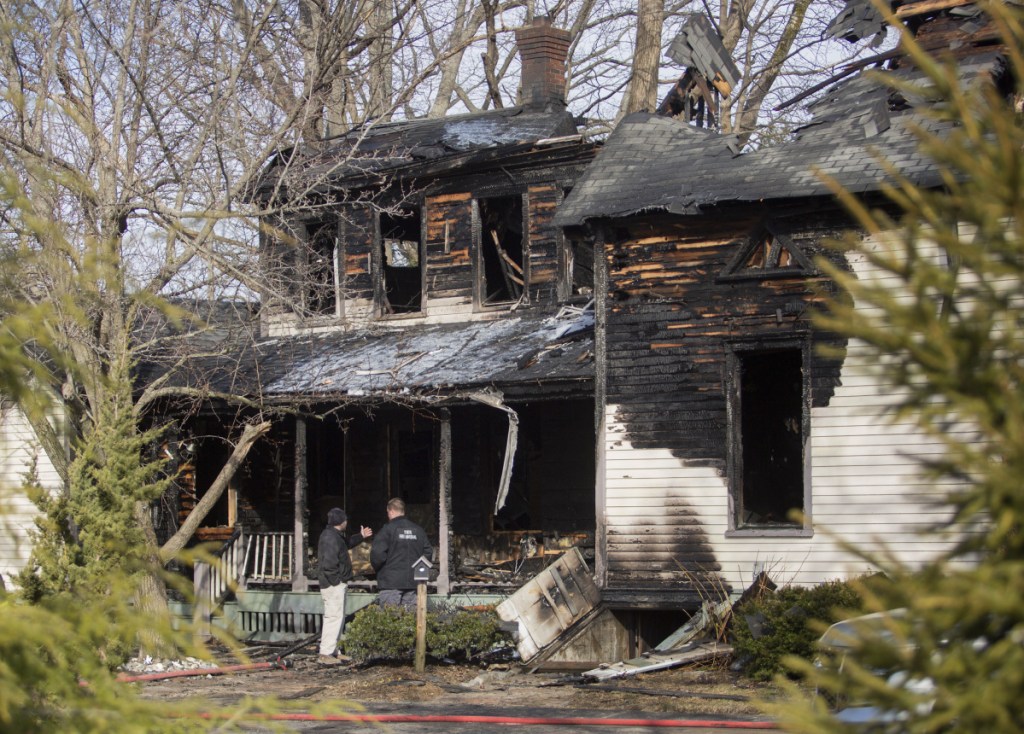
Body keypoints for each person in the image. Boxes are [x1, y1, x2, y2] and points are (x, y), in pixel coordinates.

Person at [317, 507, 372, 665]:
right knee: (333, 616)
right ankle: (326, 652)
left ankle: (334, 650)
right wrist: (337, 581)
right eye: (345, 520)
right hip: (333, 584)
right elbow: (328, 565)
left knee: (337, 617)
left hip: (336, 583)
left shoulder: (335, 536)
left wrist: (360, 536)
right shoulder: (330, 537)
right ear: (340, 522)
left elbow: (346, 544)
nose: (347, 522)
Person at [370, 498, 432, 608]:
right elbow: (428, 552)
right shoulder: (418, 530)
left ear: (391, 511)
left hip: (390, 583)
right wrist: (418, 570)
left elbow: (377, 555)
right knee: (410, 621)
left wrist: (381, 570)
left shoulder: (387, 530)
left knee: (390, 620)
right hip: (414, 583)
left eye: (388, 512)